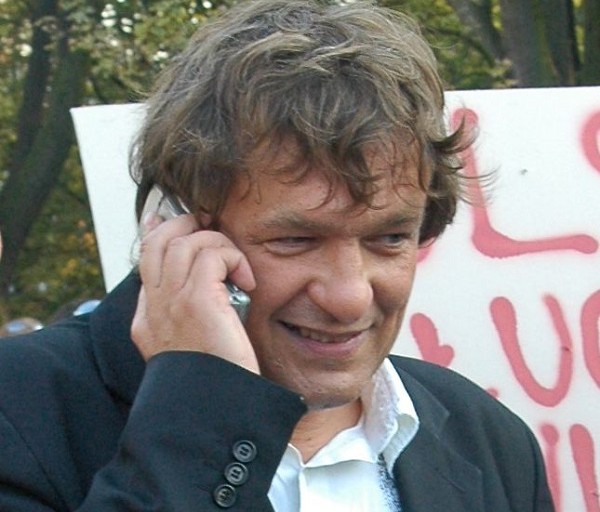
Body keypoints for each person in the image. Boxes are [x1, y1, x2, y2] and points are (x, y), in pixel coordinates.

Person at [0, 1, 554, 510]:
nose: (349, 296)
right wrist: (200, 414)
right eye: (295, 241)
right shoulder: (18, 411)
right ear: (172, 225)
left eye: (389, 238)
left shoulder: (491, 443)